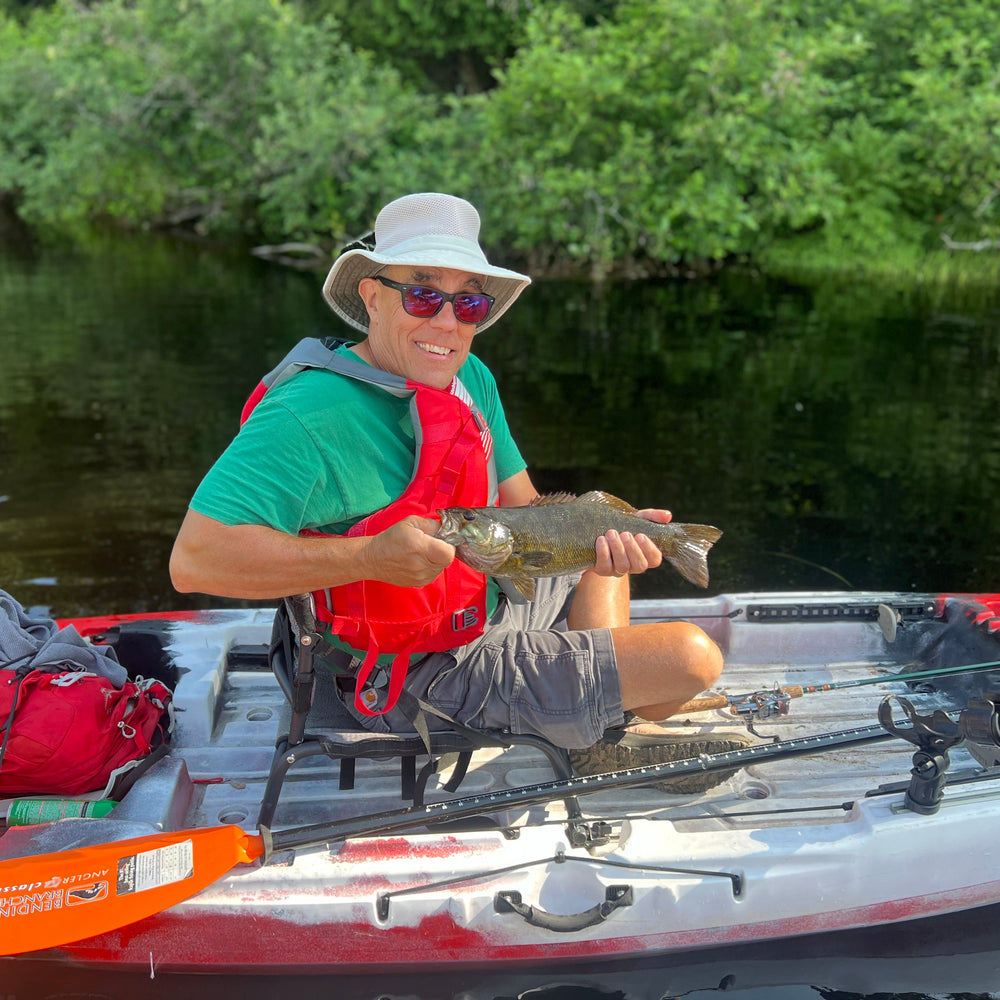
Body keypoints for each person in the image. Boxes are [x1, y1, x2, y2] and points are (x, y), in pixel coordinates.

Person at [169, 192, 751, 791]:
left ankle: (591, 728)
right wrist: (368, 558)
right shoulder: (306, 417)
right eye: (423, 295)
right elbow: (195, 561)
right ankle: (592, 722)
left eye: (468, 301)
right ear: (371, 297)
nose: (446, 323)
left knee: (602, 545)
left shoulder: (468, 376)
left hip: (484, 600)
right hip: (410, 674)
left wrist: (605, 537)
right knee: (691, 657)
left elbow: (525, 513)